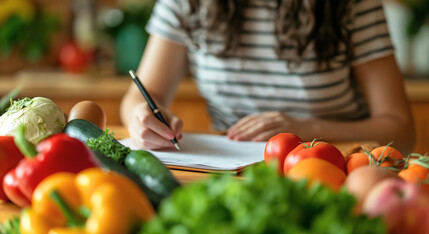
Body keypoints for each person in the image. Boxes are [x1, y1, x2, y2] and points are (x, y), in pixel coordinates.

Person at [120, 0, 415, 154]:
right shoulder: (187, 2)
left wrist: (302, 129)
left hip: (334, 165)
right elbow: (142, 95)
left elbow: (401, 131)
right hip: (230, 170)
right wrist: (141, 116)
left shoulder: (351, 4)